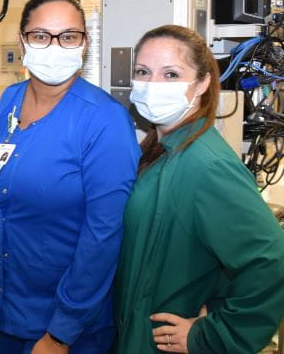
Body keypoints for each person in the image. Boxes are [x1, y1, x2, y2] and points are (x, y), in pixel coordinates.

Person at [0, 0, 141, 354]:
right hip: (6, 309)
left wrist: (61, 332)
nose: (54, 46)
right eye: (40, 36)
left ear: (84, 43)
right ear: (22, 41)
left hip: (66, 325)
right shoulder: (9, 100)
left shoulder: (104, 119)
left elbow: (104, 234)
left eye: (68, 36)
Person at [114, 25, 284, 353]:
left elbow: (271, 262)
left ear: (203, 82)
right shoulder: (161, 149)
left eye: (171, 74)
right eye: (143, 72)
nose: (152, 85)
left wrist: (210, 335)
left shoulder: (206, 165)